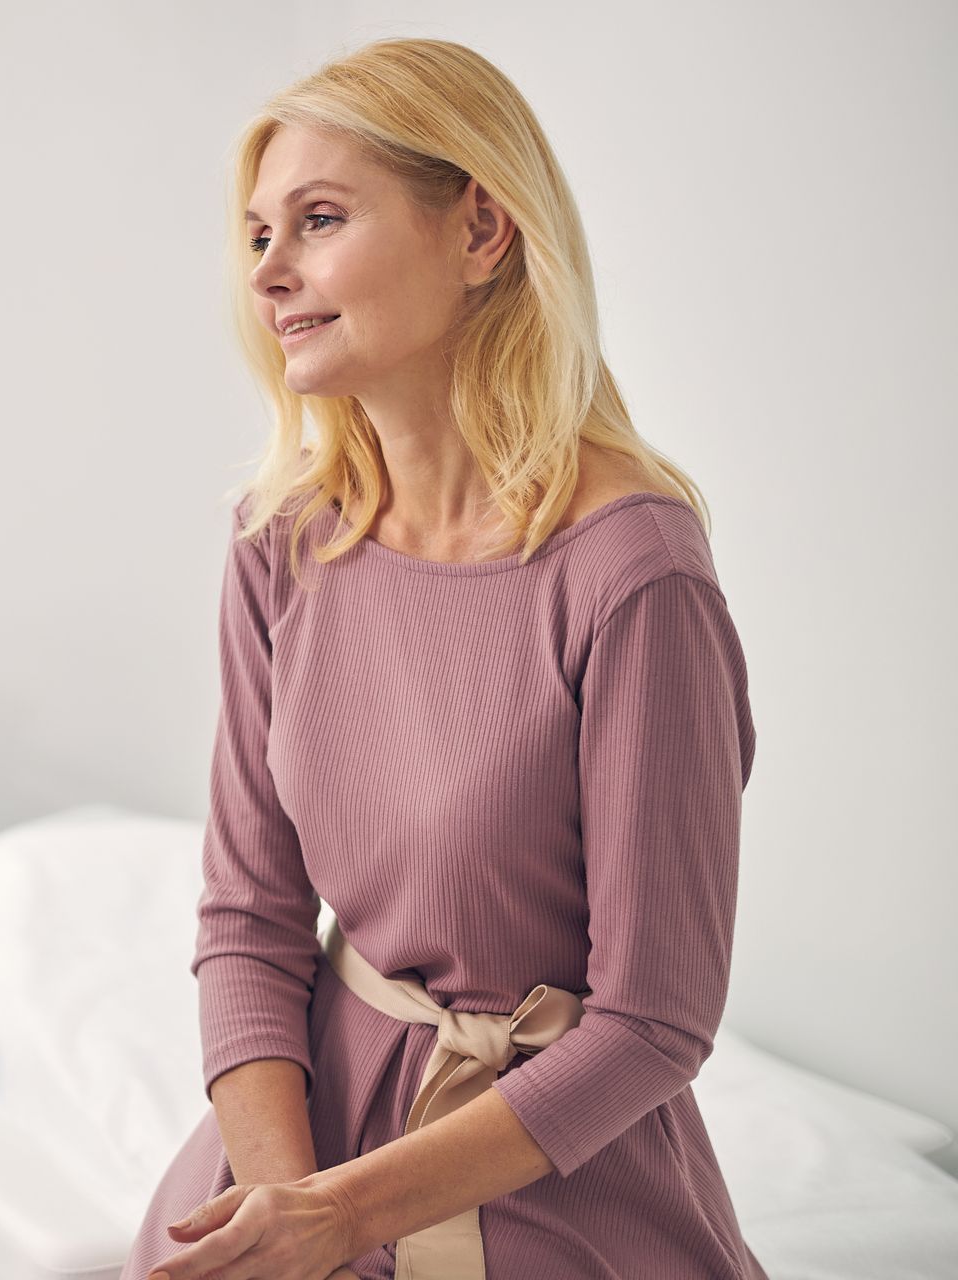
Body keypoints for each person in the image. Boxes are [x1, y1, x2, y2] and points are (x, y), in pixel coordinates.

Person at [124, 39, 763, 1280]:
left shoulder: (633, 574)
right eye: (258, 236)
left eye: (318, 219)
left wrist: (350, 1215)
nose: (272, 272)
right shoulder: (283, 544)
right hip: (294, 1154)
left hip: (546, 1175)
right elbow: (250, 919)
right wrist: (287, 1204)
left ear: (480, 231)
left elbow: (652, 1022)